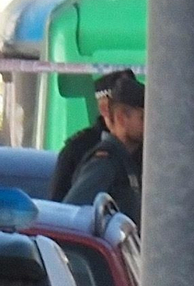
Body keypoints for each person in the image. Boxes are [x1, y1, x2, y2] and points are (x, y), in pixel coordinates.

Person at [62, 68, 145, 223]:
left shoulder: (126, 159)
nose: (147, 125)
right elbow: (71, 215)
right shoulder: (105, 163)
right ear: (121, 118)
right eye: (142, 118)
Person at [48, 68, 137, 201]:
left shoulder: (142, 145)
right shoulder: (79, 149)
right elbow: (61, 206)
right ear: (104, 108)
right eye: (125, 110)